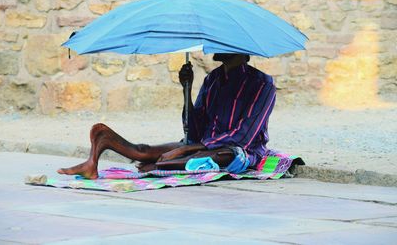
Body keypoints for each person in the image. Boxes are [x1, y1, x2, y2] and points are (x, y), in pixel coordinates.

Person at [57, 53, 276, 179]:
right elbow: (195, 129)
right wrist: (186, 89)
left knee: (209, 158)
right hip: (200, 143)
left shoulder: (262, 84)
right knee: (144, 151)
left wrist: (187, 149)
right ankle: (95, 156)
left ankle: (164, 166)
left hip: (239, 152)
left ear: (239, 50)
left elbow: (242, 137)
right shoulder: (213, 79)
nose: (214, 47)